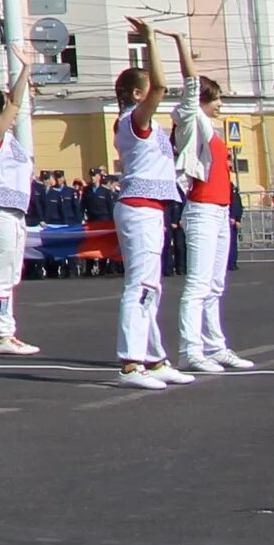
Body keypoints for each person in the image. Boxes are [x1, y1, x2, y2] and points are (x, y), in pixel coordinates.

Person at [108, 20, 193, 389]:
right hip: (139, 207)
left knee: (151, 286)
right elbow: (161, 85)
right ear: (138, 94)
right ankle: (130, 363)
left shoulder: (149, 126)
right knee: (140, 285)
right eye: (148, 92)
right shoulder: (134, 120)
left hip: (152, 207)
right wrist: (151, 42)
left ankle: (154, 358)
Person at [167, 33, 254, 373]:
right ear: (202, 100)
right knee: (198, 284)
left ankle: (215, 346)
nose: (220, 105)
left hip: (219, 212)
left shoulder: (214, 132)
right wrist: (180, 44)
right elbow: (189, 90)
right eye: (215, 99)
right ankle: (191, 350)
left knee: (216, 285)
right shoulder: (191, 122)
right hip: (201, 210)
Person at [0, 70, 42, 354]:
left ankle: (8, 331)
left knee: (12, 273)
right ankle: (3, 334)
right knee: (1, 273)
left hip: (15, 211)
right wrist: (25, 71)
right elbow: (15, 103)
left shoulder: (12, 142)